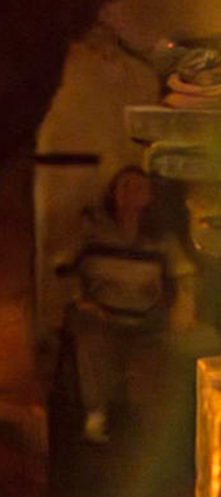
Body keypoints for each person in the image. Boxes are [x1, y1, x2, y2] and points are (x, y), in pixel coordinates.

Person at [63, 165, 198, 443]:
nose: (129, 193)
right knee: (91, 338)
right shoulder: (95, 232)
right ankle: (96, 414)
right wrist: (81, 300)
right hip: (102, 315)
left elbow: (185, 273)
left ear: (149, 197)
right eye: (123, 186)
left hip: (145, 317)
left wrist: (184, 303)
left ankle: (148, 429)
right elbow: (66, 269)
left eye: (138, 188)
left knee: (155, 361)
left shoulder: (159, 239)